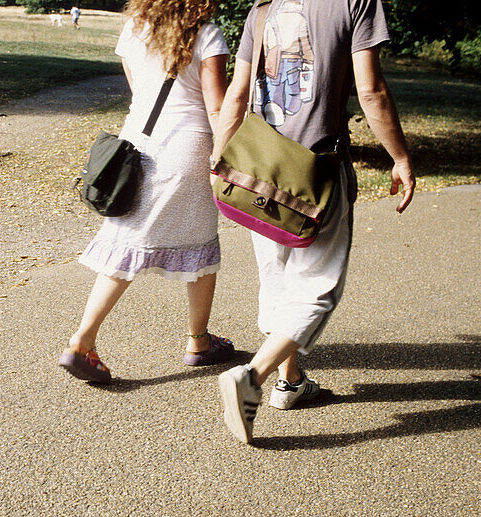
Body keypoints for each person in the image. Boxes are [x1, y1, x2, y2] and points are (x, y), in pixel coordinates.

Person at [211, 0, 415, 443]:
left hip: (261, 168)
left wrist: (220, 155)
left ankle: (291, 383)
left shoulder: (263, 8)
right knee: (317, 289)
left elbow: (237, 93)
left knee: (278, 279)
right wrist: (399, 156)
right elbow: (372, 90)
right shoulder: (357, 2)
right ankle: (253, 376)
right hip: (317, 172)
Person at [59, 0, 233, 383]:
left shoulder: (134, 29)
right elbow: (216, 107)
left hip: (136, 144)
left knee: (136, 240)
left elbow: (139, 90)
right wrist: (225, 157)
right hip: (187, 146)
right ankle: (88, 341)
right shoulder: (207, 34)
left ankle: (90, 338)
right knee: (190, 241)